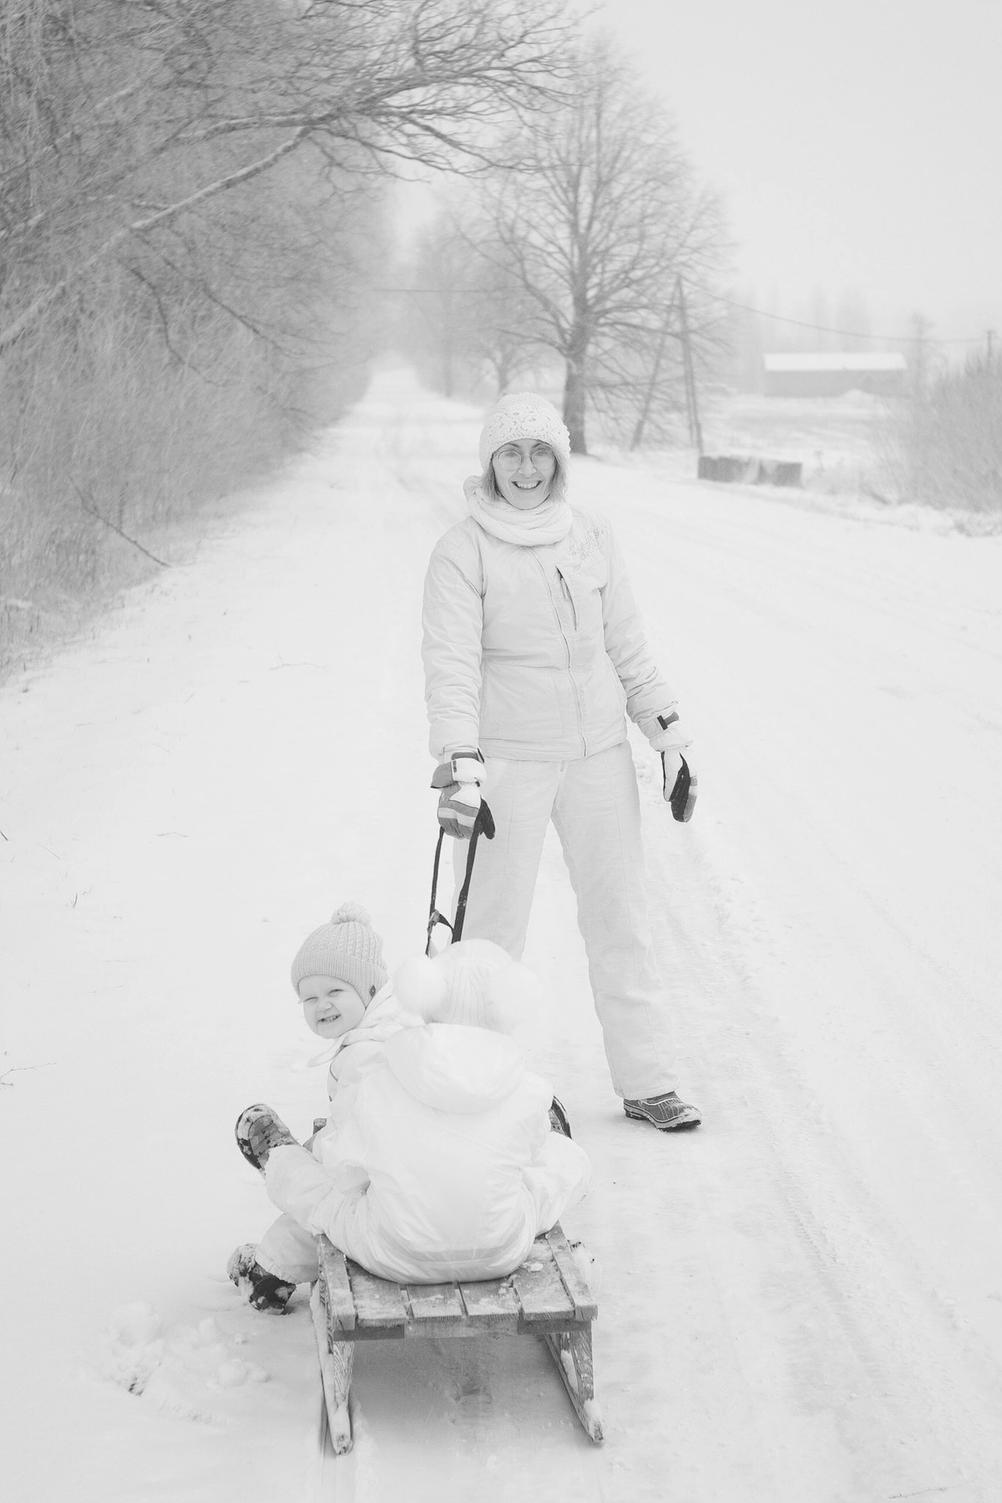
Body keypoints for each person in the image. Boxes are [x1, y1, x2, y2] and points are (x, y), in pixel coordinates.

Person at [421, 391, 701, 1132]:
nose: (526, 466)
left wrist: (667, 735)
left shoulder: (591, 535)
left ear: (560, 460)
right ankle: (470, 1088)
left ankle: (646, 1080)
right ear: (489, 461)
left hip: (599, 755)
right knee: (487, 936)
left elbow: (629, 647)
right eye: (510, 452)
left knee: (620, 920)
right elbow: (451, 666)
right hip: (506, 765)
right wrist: (460, 760)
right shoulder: (463, 549)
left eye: (540, 450)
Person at [234, 939, 592, 1286]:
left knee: (328, 1195)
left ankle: (281, 1161)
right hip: (504, 1249)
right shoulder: (528, 1089)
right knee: (558, 1165)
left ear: (425, 997)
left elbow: (341, 1166)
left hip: (393, 1252)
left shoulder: (384, 1076)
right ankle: (552, 1138)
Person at [229, 902, 410, 1311]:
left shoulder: (367, 1056)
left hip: (390, 1204)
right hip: (414, 1187)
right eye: (308, 997)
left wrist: (317, 1154)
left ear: (370, 990)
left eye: (334, 991)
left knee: (321, 1199)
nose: (321, 1005)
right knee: (333, 1190)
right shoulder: (398, 1029)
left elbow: (359, 1159)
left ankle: (268, 1269)